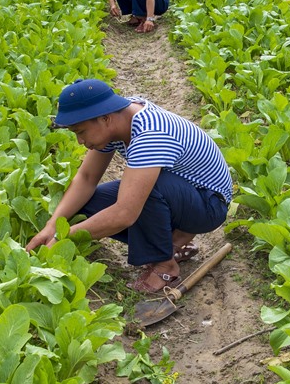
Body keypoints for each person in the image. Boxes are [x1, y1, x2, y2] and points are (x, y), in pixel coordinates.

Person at [26, 79, 233, 294]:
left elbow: (125, 213)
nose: (79, 141)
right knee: (89, 204)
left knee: (146, 191)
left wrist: (63, 236)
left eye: (81, 131)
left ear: (105, 118)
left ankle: (165, 263)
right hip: (180, 193)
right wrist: (53, 226)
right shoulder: (118, 119)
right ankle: (173, 243)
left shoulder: (150, 135)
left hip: (208, 203)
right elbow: (86, 178)